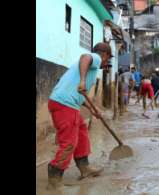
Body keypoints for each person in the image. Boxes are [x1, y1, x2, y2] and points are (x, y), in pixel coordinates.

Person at [47, 42, 112, 190]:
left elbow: (81, 97)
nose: (106, 63)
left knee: (82, 132)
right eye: (107, 59)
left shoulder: (88, 69)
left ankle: (84, 168)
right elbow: (85, 56)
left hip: (68, 104)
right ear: (104, 55)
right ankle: (54, 176)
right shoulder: (95, 57)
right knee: (69, 142)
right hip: (64, 104)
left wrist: (93, 109)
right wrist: (83, 80)